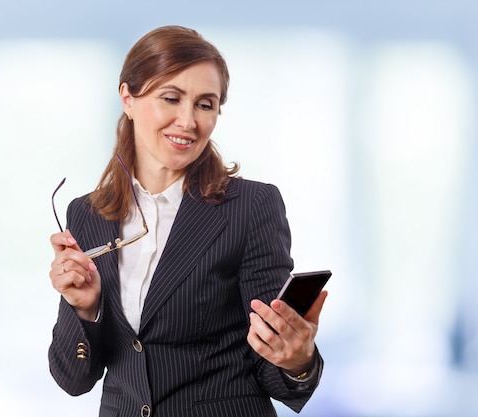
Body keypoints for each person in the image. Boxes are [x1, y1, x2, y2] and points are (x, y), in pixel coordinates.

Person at [48, 25, 327, 417]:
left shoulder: (250, 206)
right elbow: (73, 379)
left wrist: (298, 359)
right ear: (128, 98)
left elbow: (273, 370)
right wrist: (84, 308)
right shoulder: (86, 214)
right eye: (171, 98)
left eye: (205, 104)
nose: (188, 121)